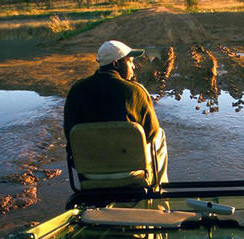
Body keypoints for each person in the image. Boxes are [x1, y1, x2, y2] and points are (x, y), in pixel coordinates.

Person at [63, 40, 168, 185]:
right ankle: (158, 190)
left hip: (89, 173)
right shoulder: (134, 91)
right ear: (116, 64)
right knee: (160, 134)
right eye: (130, 61)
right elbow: (152, 133)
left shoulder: (76, 90)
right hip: (130, 171)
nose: (133, 66)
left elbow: (69, 134)